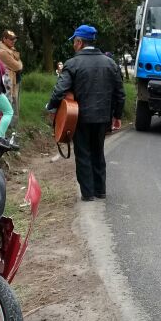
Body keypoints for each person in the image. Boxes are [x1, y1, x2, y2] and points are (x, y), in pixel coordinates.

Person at [46, 25, 125, 202]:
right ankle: (100, 190)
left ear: (80, 42)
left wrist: (51, 108)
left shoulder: (73, 63)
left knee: (83, 153)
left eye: (75, 41)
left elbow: (59, 91)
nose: (74, 45)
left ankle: (88, 193)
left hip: (79, 118)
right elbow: (120, 94)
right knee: (98, 151)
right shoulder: (110, 63)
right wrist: (117, 116)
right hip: (103, 117)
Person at [0, 29, 23, 104]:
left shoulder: (10, 48)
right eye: (11, 39)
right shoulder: (2, 51)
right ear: (4, 39)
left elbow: (19, 63)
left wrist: (19, 63)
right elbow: (18, 66)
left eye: (14, 39)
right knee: (11, 108)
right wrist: (19, 64)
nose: (14, 41)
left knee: (15, 105)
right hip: (8, 83)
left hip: (15, 80)